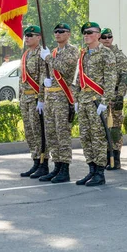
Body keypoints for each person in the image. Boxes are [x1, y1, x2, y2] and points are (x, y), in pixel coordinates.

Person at [75, 22, 116, 186]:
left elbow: (111, 79)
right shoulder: (83, 54)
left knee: (98, 137)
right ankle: (91, 169)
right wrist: (76, 98)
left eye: (90, 32)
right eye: (84, 32)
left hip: (96, 101)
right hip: (84, 101)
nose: (86, 35)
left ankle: (100, 172)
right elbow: (78, 79)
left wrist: (105, 102)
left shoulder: (106, 54)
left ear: (98, 35)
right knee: (86, 137)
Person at [39, 23, 79, 183]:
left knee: (62, 134)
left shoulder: (72, 51)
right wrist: (45, 82)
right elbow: (47, 72)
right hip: (50, 99)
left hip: (63, 98)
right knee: (51, 134)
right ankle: (56, 166)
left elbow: (64, 67)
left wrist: (48, 58)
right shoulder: (54, 52)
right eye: (56, 31)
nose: (58, 34)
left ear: (68, 34)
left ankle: (65, 169)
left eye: (61, 31)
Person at [99, 28, 127, 170]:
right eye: (103, 37)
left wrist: (119, 95)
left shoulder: (119, 55)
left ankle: (115, 158)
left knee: (115, 129)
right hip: (98, 97)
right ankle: (104, 157)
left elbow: (125, 77)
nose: (106, 39)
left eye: (109, 37)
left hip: (114, 97)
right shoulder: (95, 54)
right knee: (100, 128)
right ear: (99, 39)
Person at [19, 25, 48, 178]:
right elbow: (21, 79)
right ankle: (35, 161)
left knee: (39, 132)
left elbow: (43, 78)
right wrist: (20, 98)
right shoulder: (26, 55)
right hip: (25, 99)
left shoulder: (41, 54)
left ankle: (44, 163)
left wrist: (41, 99)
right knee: (30, 132)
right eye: (26, 35)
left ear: (39, 37)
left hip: (36, 98)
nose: (27, 37)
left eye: (31, 35)